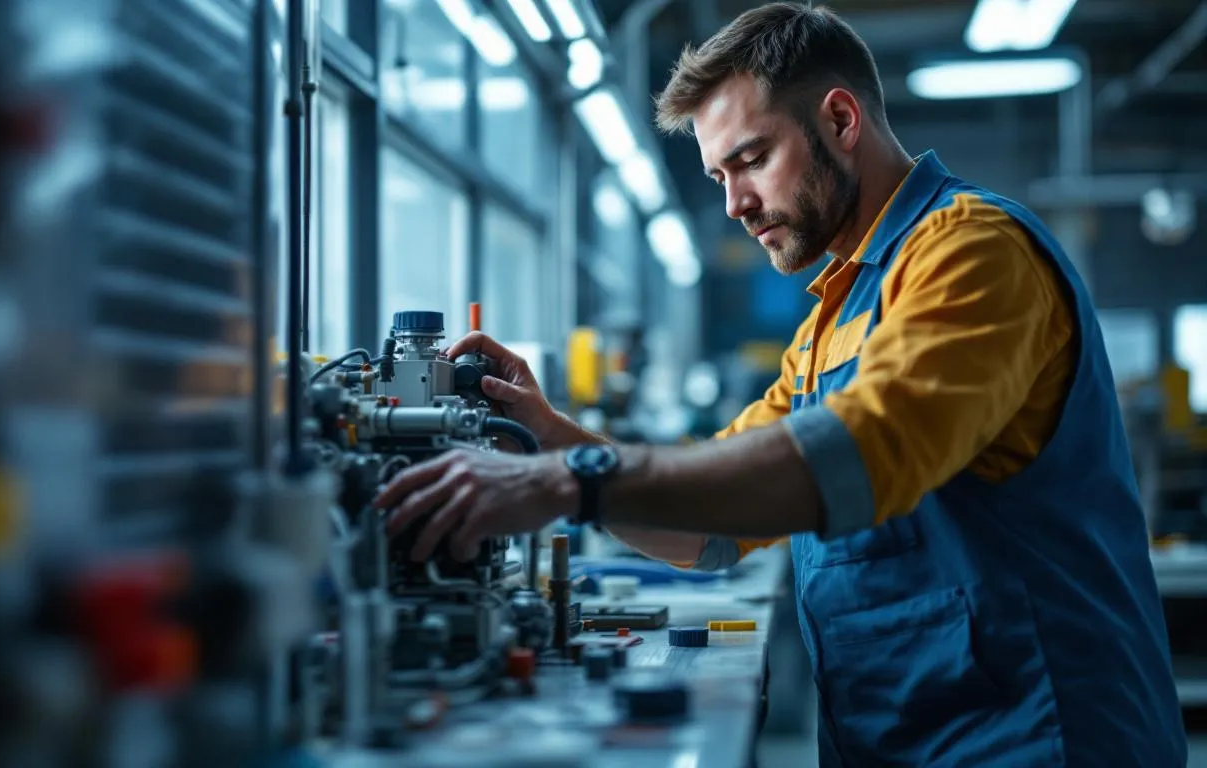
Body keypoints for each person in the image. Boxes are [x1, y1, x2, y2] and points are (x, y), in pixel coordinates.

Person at [376, 4, 1187, 765]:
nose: (733, 203)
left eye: (752, 160)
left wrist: (564, 481)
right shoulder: (833, 314)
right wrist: (548, 434)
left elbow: (855, 456)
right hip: (904, 736)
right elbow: (707, 532)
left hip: (1037, 738)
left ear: (840, 120)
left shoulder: (972, 254)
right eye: (718, 176)